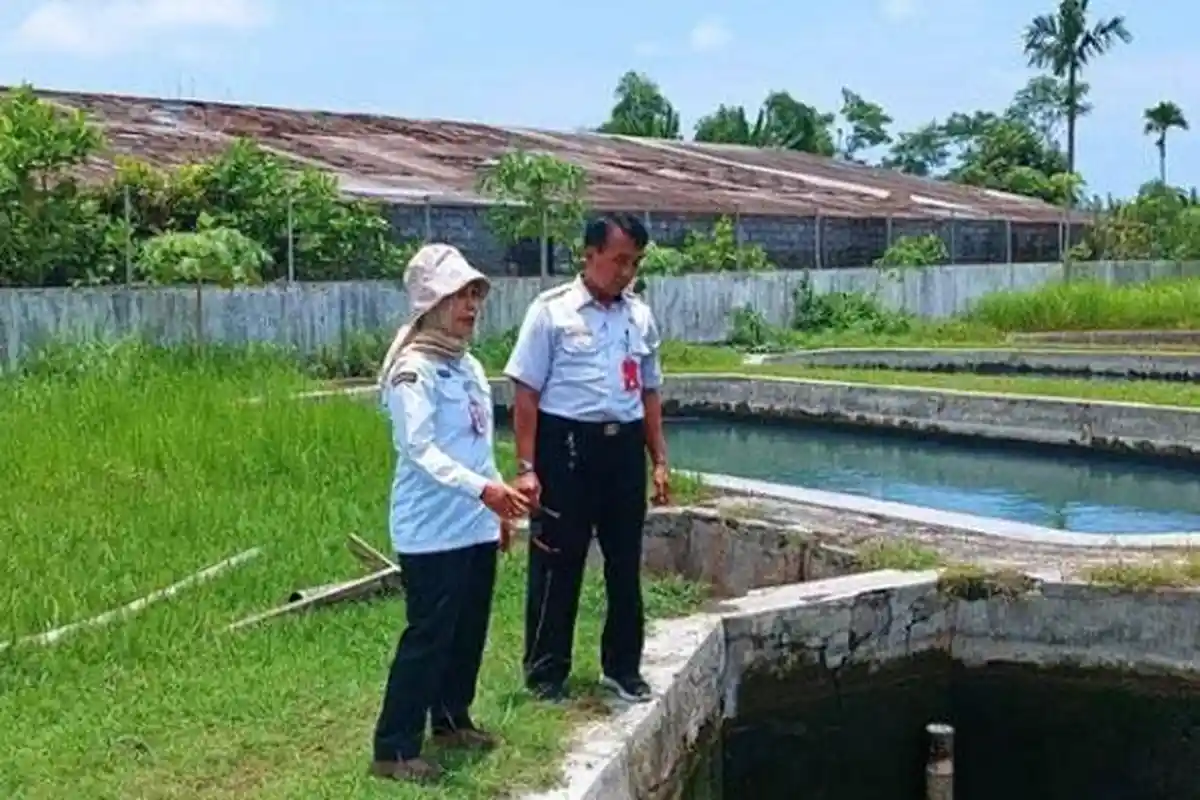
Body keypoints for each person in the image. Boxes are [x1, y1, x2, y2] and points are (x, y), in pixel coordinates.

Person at [370, 243, 530, 784]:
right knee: (428, 636)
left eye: (475, 295)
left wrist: (498, 508)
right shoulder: (412, 372)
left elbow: (478, 446)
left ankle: (451, 720)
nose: (470, 306)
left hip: (474, 523)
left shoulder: (467, 367)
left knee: (468, 631)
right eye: (459, 296)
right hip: (430, 530)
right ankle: (393, 748)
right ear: (431, 303)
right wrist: (484, 491)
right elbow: (420, 450)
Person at [503, 213, 671, 705]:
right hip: (567, 448)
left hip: (623, 448)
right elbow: (526, 393)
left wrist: (658, 459)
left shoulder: (639, 315)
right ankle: (545, 674)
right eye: (619, 260)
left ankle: (623, 668)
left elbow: (651, 391)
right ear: (589, 254)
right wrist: (527, 468)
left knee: (624, 564)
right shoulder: (551, 311)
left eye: (635, 263)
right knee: (558, 561)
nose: (626, 272)